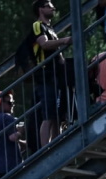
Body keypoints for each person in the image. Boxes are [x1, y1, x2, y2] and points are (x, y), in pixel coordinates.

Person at [31, 0, 74, 148]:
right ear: (40, 9)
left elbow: (56, 53)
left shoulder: (51, 28)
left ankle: (56, 145)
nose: (53, 8)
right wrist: (65, 40)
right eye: (49, 5)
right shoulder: (38, 25)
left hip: (55, 74)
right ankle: (45, 150)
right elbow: (44, 44)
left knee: (56, 115)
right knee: (48, 115)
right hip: (45, 75)